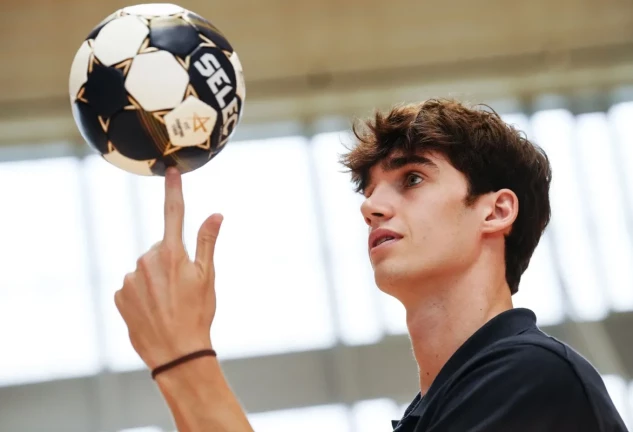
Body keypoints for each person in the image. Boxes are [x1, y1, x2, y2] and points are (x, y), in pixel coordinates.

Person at [114, 99, 629, 431]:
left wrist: (183, 360)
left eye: (411, 179)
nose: (371, 206)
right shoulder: (434, 413)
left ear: (495, 211)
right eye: (369, 189)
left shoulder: (533, 378)